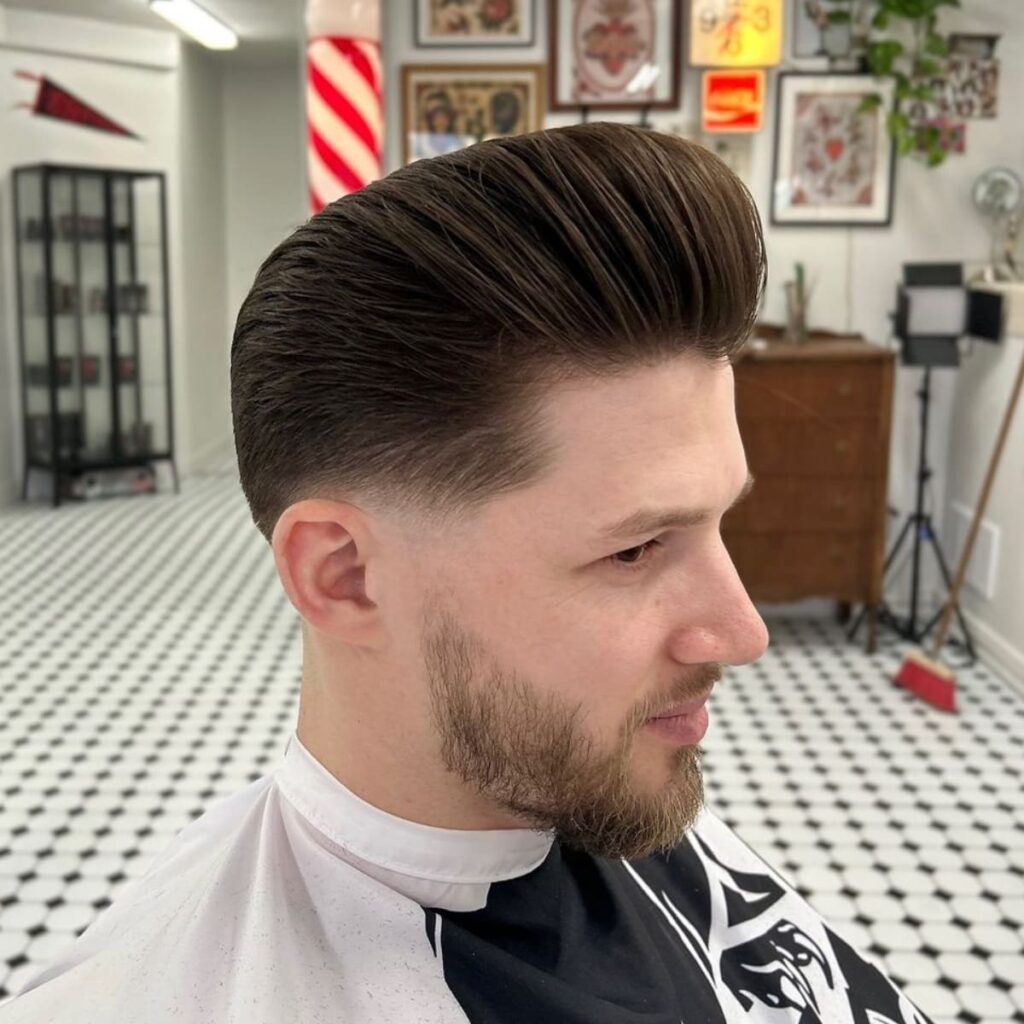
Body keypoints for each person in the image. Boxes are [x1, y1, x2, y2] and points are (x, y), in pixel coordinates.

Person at [0, 122, 934, 1024]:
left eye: (717, 523)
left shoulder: (584, 777)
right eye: (634, 550)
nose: (744, 632)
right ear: (343, 576)